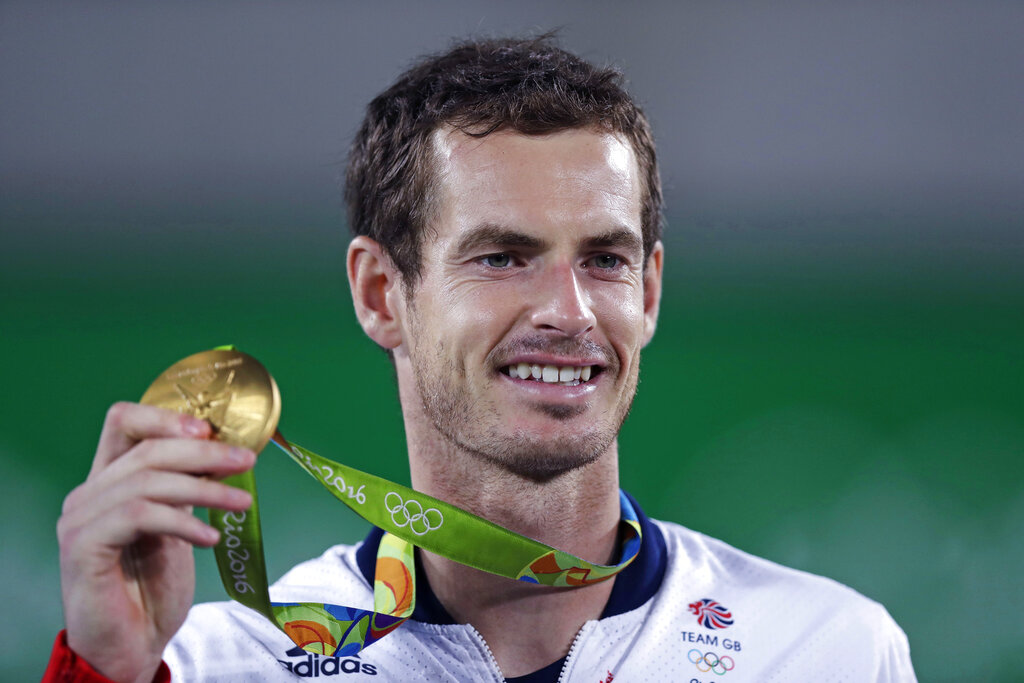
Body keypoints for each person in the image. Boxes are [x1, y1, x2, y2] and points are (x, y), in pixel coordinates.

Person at [47, 35, 916, 681]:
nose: (568, 311)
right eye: (502, 257)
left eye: (605, 259)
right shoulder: (217, 664)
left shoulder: (828, 649)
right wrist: (105, 672)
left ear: (649, 292)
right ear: (381, 293)